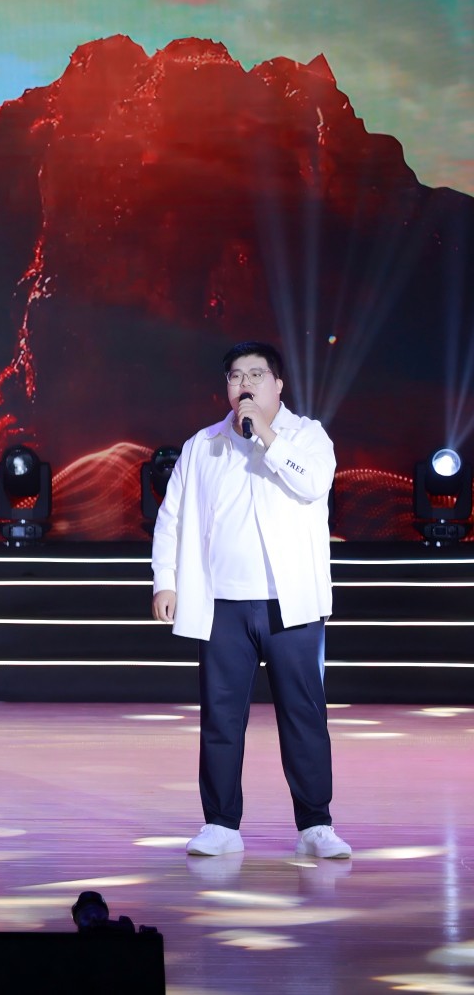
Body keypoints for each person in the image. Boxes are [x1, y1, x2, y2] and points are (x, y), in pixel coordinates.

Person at [151, 340, 349, 859]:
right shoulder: (204, 445)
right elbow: (172, 517)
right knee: (220, 718)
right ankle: (220, 824)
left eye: (256, 375)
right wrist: (166, 580)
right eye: (236, 376)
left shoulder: (308, 437)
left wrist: (266, 435)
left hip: (291, 603)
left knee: (304, 715)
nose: (245, 385)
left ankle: (316, 824)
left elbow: (314, 485)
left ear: (278, 384)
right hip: (222, 604)